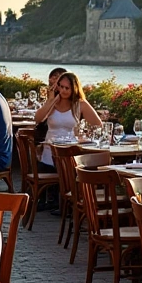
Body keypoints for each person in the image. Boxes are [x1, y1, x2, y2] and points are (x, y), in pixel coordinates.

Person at [33, 71, 102, 212]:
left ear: (74, 89)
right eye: (61, 86)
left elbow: (98, 124)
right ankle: (59, 202)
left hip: (71, 152)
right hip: (50, 153)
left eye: (67, 88)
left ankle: (68, 204)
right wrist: (51, 100)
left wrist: (83, 133)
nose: (63, 90)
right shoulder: (53, 103)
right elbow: (38, 118)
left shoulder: (79, 104)